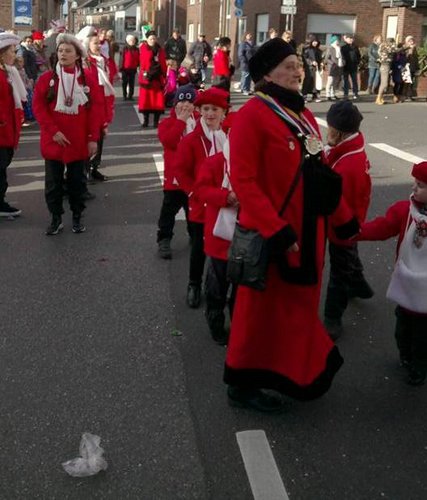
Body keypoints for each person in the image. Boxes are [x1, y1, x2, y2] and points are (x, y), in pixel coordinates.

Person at [223, 38, 355, 412]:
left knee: (295, 308)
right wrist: (276, 230)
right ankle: (242, 383)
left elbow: (318, 172)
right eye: (288, 66)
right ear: (266, 74)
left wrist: (342, 220)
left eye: (298, 64)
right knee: (258, 312)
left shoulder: (304, 114)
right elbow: (244, 181)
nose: (298, 70)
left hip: (308, 233)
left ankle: (293, 372)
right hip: (274, 237)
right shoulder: (251, 116)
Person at [358, 161, 427, 386]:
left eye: (421, 185)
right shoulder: (404, 211)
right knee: (403, 329)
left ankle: (418, 366)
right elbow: (382, 227)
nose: (414, 188)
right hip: (407, 285)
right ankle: (405, 355)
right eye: (415, 183)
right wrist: (356, 232)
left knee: (422, 337)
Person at [33, 33, 102, 235]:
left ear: (77, 55)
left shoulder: (87, 80)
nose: (63, 54)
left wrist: (93, 138)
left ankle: (77, 217)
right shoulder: (47, 79)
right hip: (54, 139)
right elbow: (39, 107)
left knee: (77, 184)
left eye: (68, 51)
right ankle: (56, 218)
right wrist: (53, 131)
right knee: (53, 184)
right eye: (61, 50)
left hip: (78, 141)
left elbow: (95, 110)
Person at [175, 87, 230, 309]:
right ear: (199, 111)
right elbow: (181, 171)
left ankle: (217, 287)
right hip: (201, 203)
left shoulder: (229, 136)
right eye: (205, 109)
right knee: (199, 247)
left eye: (215, 109)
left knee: (223, 247)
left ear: (223, 112)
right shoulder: (191, 140)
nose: (210, 114)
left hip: (225, 203)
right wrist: (192, 193)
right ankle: (194, 284)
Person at [323, 101, 373, 339]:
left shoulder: (348, 163)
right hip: (345, 223)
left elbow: (340, 201)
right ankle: (359, 283)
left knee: (339, 272)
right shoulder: (348, 151)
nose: (327, 131)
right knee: (347, 256)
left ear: (340, 132)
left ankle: (333, 315)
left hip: (343, 224)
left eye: (330, 127)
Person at [194, 141, 238, 345]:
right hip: (219, 236)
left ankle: (239, 324)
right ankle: (216, 322)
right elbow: (201, 190)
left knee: (243, 288)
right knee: (216, 287)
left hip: (245, 237)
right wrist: (225, 196)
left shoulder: (252, 163)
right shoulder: (214, 163)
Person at [156, 83, 198, 259]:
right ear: (175, 104)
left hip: (195, 178)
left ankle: (195, 235)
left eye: (189, 102)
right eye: (181, 101)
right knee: (168, 212)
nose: (185, 106)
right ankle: (164, 239)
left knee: (194, 211)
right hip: (174, 179)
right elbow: (170, 141)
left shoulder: (199, 122)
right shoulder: (167, 123)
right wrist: (181, 121)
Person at [77, 26, 115, 183]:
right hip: (93, 108)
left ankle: (93, 168)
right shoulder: (86, 64)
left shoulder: (101, 61)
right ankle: (84, 174)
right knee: (90, 142)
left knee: (99, 140)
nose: (99, 45)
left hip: (103, 107)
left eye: (99, 43)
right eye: (95, 43)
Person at [0, 32, 26, 218]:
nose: (15, 54)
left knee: (3, 165)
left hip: (7, 128)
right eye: (12, 50)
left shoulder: (8, 72)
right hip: (2, 128)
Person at [138, 30, 167, 128]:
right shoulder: (143, 48)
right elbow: (144, 61)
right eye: (150, 39)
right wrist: (152, 54)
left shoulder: (160, 50)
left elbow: (163, 62)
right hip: (147, 78)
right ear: (147, 39)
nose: (152, 40)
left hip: (157, 78)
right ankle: (146, 121)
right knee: (146, 101)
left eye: (154, 38)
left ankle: (156, 121)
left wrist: (164, 74)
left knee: (157, 101)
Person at [301, 34, 323, 102]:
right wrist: (311, 62)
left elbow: (320, 59)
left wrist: (321, 63)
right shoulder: (306, 49)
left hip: (316, 68)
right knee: (308, 80)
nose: (315, 43)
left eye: (316, 41)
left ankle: (315, 95)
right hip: (309, 68)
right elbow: (305, 58)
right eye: (314, 41)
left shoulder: (318, 50)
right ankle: (304, 95)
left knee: (316, 82)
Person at [376, 38, 395, 105]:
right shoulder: (386, 47)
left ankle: (380, 98)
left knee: (383, 83)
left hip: (386, 65)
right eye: (392, 43)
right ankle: (378, 98)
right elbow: (394, 51)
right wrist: (406, 47)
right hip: (385, 66)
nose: (393, 44)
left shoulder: (384, 47)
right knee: (384, 84)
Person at [119, 34, 139, 101]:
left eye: (133, 40)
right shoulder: (125, 48)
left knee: (131, 83)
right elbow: (122, 58)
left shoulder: (136, 49)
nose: (132, 42)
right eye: (131, 40)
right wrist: (121, 67)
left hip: (133, 68)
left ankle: (130, 95)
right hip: (125, 69)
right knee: (124, 82)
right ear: (128, 41)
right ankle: (124, 95)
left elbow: (138, 58)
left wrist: (138, 66)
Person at [341, 34, 361, 100]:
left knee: (354, 80)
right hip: (346, 66)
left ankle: (355, 93)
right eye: (349, 38)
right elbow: (341, 56)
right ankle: (345, 94)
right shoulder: (343, 47)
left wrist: (357, 62)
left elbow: (358, 56)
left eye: (352, 38)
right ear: (346, 39)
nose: (351, 40)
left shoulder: (355, 47)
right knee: (346, 81)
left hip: (353, 66)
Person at [325, 35, 344, 101]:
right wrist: (332, 63)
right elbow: (326, 59)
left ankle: (333, 94)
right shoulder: (330, 48)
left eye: (337, 40)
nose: (337, 42)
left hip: (339, 66)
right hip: (332, 67)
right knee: (330, 81)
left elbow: (341, 57)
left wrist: (343, 62)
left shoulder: (339, 48)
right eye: (336, 40)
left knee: (335, 81)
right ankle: (328, 94)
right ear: (333, 41)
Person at [403, 35, 419, 101]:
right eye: (410, 41)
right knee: (407, 81)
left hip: (412, 67)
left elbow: (416, 59)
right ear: (407, 42)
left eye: (412, 41)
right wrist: (410, 50)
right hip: (407, 67)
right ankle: (405, 95)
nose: (412, 42)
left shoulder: (414, 49)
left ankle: (409, 95)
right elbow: (405, 57)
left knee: (411, 81)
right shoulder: (405, 48)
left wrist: (417, 68)